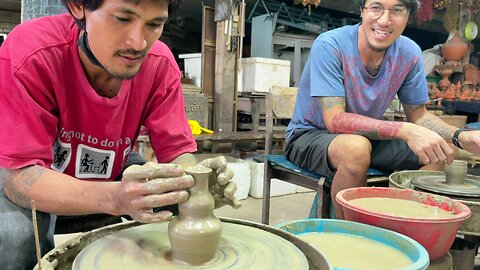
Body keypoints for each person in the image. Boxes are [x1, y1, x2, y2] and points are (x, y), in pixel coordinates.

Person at [0, 0, 238, 269]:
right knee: (13, 237)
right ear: (78, 6)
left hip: (112, 163)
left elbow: (178, 154)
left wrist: (198, 182)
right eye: (123, 19)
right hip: (33, 170)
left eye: (154, 24)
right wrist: (116, 198)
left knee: (177, 190)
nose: (139, 44)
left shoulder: (159, 63)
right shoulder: (31, 51)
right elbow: (18, 179)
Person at [286, 0, 480, 219]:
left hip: (367, 138)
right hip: (310, 135)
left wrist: (459, 136)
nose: (385, 20)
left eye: (397, 10)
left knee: (440, 152)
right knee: (355, 149)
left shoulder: (409, 53)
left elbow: (419, 115)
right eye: (376, 7)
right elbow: (335, 120)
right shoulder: (331, 45)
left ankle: (398, 222)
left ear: (408, 16)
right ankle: (348, 235)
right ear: (362, 10)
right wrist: (404, 130)